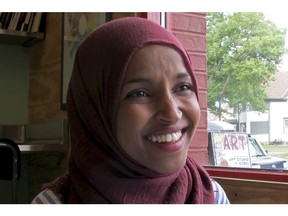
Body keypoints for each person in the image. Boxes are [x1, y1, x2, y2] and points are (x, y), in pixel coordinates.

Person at [32, 17, 230, 204]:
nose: (172, 113)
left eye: (183, 87)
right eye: (140, 93)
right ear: (95, 113)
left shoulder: (212, 198)